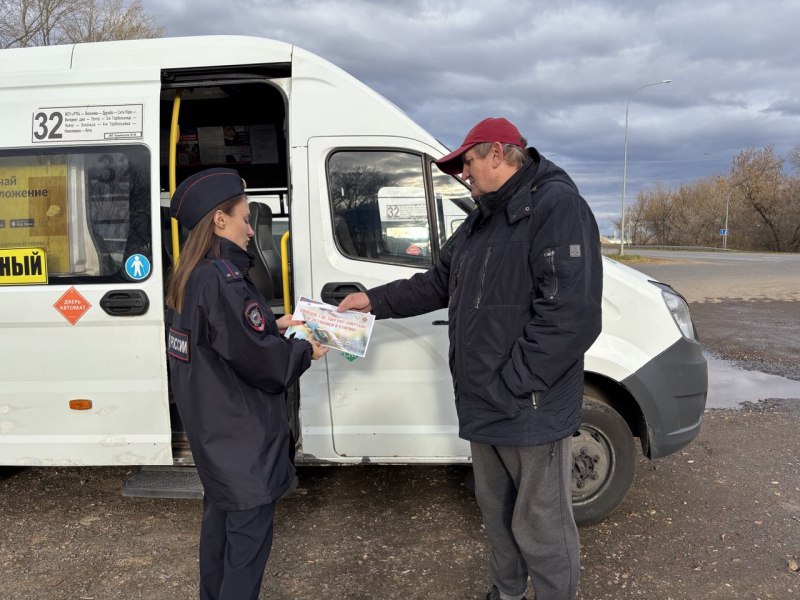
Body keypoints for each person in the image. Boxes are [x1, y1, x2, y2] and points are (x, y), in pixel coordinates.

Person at [338, 118, 602, 600]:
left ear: (498, 154)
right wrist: (371, 301)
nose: (462, 173)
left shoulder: (556, 206)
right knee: (499, 519)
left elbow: (572, 316)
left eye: (468, 161)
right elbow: (437, 282)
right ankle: (506, 594)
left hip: (528, 405)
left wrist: (513, 383)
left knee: (542, 526)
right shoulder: (482, 218)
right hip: (485, 400)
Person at [165, 167, 328, 600]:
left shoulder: (192, 276)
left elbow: (217, 345)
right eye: (243, 216)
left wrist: (271, 326)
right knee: (244, 558)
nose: (251, 230)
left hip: (217, 443)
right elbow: (267, 366)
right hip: (245, 447)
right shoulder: (225, 281)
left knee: (217, 547)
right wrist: (304, 348)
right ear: (220, 220)